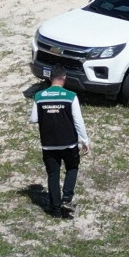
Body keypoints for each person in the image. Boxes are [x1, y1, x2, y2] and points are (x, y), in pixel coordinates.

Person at [30, 68, 93, 217]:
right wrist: (85, 140)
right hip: (68, 143)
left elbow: (33, 118)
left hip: (48, 143)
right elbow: (78, 121)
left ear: (50, 78)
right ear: (64, 77)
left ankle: (56, 211)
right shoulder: (71, 96)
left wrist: (48, 113)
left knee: (53, 175)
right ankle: (67, 198)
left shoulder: (39, 96)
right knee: (72, 167)